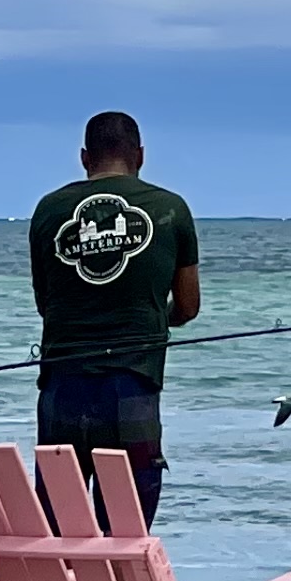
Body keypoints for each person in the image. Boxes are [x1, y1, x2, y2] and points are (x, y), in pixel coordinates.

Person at [29, 109, 200, 521]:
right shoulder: (171, 209)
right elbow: (189, 306)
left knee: (57, 533)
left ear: (85, 157)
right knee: (126, 534)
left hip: (61, 392)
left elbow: (44, 304)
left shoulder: (49, 211)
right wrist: (158, 319)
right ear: (139, 155)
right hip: (133, 387)